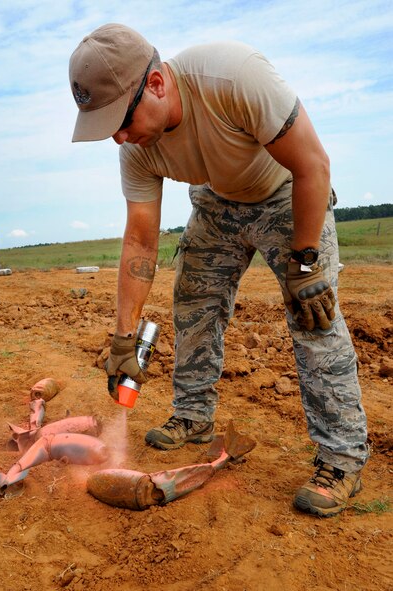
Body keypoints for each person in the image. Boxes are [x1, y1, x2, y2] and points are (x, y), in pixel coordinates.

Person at [69, 23, 369, 517]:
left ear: (158, 84)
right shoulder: (135, 148)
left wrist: (307, 261)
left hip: (286, 194)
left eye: (120, 120)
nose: (118, 137)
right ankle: (192, 416)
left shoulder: (233, 77)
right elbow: (141, 238)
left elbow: (313, 164)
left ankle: (341, 457)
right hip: (216, 200)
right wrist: (124, 338)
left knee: (311, 310)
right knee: (193, 301)